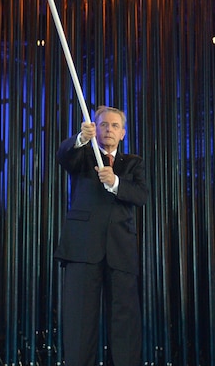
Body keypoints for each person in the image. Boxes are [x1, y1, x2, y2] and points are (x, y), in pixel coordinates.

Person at [54, 106, 149, 366]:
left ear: (123, 133)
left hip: (121, 249)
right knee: (79, 320)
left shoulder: (133, 163)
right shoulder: (83, 155)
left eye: (115, 126)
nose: (109, 129)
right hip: (82, 248)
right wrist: (80, 139)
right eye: (104, 125)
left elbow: (142, 196)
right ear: (95, 129)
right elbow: (64, 156)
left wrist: (116, 182)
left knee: (124, 320)